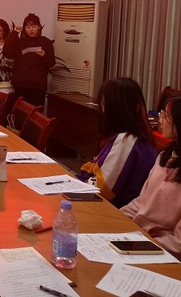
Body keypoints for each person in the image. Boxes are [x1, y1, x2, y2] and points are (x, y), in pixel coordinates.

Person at [77, 77, 157, 208]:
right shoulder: (135, 136)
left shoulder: (126, 140)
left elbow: (102, 189)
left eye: (104, 103)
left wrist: (74, 185)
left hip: (114, 210)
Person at [121, 96, 181, 258]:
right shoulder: (165, 156)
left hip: (159, 249)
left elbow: (177, 243)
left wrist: (141, 244)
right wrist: (116, 219)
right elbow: (141, 201)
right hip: (138, 234)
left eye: (165, 115)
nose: (160, 119)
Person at [3, 13, 55, 106]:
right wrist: (14, 33)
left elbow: (51, 63)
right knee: (19, 111)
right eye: (28, 27)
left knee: (35, 112)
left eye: (34, 26)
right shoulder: (20, 42)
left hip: (37, 86)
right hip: (20, 85)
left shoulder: (46, 42)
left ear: (39, 27)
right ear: (24, 29)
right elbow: (6, 51)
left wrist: (44, 55)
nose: (31, 29)